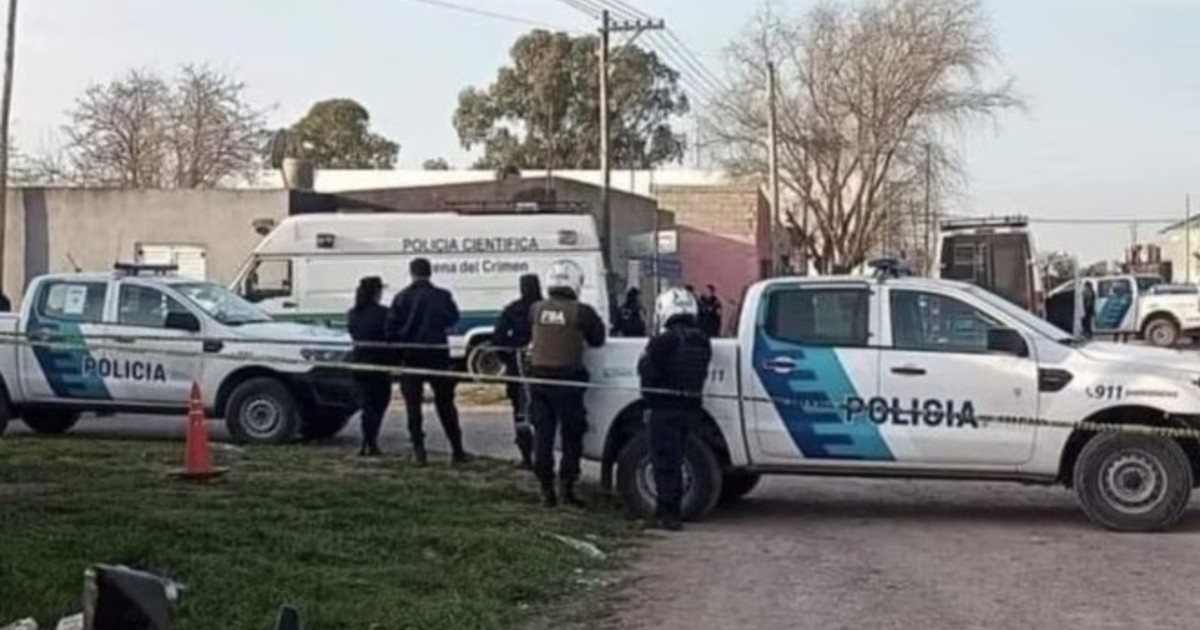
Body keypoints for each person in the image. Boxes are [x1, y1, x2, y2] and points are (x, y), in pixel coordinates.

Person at [527, 261, 606, 507]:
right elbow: (598, 339)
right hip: (568, 381)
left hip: (538, 380)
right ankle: (567, 488)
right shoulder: (581, 312)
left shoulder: (536, 309)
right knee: (572, 436)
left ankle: (545, 490)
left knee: (543, 436)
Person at [638, 287, 712, 531]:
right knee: (678, 459)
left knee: (663, 463)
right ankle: (671, 511)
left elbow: (647, 371)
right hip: (690, 409)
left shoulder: (664, 341)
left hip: (663, 408)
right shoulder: (702, 341)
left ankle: (667, 514)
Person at [386, 257, 470, 465]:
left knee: (413, 406)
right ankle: (457, 449)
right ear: (430, 272)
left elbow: (391, 329)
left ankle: (419, 451)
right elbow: (452, 319)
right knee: (445, 403)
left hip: (411, 356)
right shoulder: (442, 296)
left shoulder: (401, 298)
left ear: (412, 273)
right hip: (437, 354)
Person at [492, 273, 542, 469]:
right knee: (545, 413)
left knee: (520, 412)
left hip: (518, 368)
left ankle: (526, 457)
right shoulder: (546, 309)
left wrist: (509, 359)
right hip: (544, 368)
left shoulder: (513, 310)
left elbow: (498, 339)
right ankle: (544, 455)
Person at [347, 276, 392, 457]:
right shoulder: (384, 313)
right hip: (379, 364)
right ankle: (370, 442)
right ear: (376, 292)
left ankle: (368, 442)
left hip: (359, 362)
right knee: (379, 404)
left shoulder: (353, 314)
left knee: (367, 406)